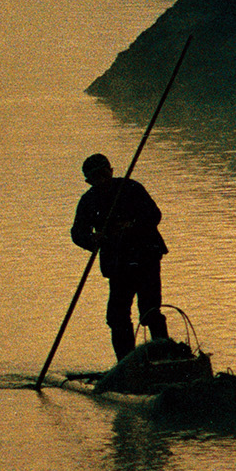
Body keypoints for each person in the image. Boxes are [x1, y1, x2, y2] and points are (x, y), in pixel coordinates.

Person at [71, 152, 169, 359]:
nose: (101, 181)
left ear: (111, 172)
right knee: (117, 316)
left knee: (150, 311)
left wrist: (131, 226)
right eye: (95, 178)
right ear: (88, 181)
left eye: (104, 175)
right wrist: (92, 239)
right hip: (118, 265)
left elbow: (154, 215)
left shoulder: (131, 188)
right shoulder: (88, 201)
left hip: (145, 258)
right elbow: (77, 233)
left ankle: (165, 357)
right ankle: (127, 362)